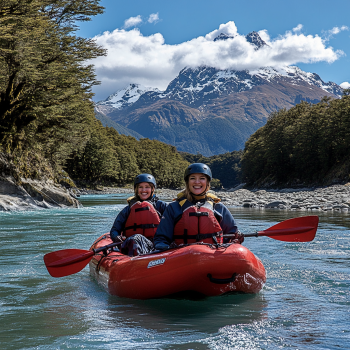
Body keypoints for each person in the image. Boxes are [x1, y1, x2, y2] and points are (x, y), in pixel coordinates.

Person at [153, 163, 243, 250]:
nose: (197, 182)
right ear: (187, 182)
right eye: (192, 178)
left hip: (213, 256)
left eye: (202, 178)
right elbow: (161, 238)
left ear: (207, 182)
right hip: (182, 256)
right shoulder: (174, 207)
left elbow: (232, 235)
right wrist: (164, 248)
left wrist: (236, 239)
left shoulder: (219, 208)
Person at [110, 173, 168, 256]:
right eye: (140, 187)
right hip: (133, 245)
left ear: (152, 189)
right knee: (136, 238)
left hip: (156, 244)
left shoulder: (161, 206)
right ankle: (139, 263)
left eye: (147, 187)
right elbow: (115, 229)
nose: (143, 190)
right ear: (136, 190)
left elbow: (174, 222)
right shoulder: (128, 209)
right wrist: (116, 237)